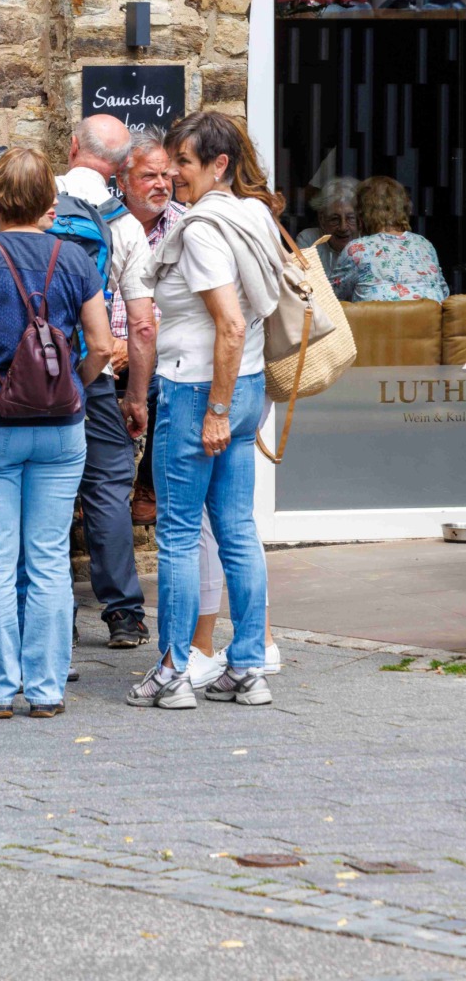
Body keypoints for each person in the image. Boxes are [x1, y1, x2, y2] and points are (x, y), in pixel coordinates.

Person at [0, 148, 113, 717]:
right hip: (60, 426)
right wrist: (74, 384)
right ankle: (46, 689)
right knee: (49, 557)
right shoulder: (75, 259)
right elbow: (103, 345)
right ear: (49, 201)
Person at [128, 110, 284, 712]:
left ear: (219, 164)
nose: (173, 173)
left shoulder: (201, 230)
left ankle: (173, 672)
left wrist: (214, 409)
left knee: (178, 534)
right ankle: (247, 667)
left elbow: (231, 323)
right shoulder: (254, 215)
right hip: (247, 386)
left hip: (201, 391)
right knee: (238, 529)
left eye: (184, 163)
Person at [56, 116, 156, 648]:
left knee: (45, 490)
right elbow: (142, 325)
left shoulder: (35, 200)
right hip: (92, 373)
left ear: (72, 146)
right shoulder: (126, 226)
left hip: (28, 374)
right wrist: (135, 397)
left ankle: (56, 615)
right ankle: (123, 614)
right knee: (108, 489)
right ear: (121, 168)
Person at [111, 132, 185, 529]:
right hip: (104, 347)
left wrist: (136, 345)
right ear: (122, 181)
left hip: (159, 347)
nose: (161, 184)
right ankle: (97, 487)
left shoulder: (186, 228)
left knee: (167, 383)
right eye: (149, 176)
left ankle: (148, 484)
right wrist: (104, 342)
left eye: (165, 175)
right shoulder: (103, 224)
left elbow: (188, 305)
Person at [333, 176, 449, 302]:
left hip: (378, 316)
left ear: (361, 213)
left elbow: (328, 299)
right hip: (427, 315)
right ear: (405, 209)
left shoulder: (358, 249)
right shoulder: (424, 245)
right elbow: (444, 294)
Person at [298, 177, 358, 285]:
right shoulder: (309, 241)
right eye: (335, 219)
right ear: (322, 219)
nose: (343, 227)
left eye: (350, 218)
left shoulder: (367, 245)